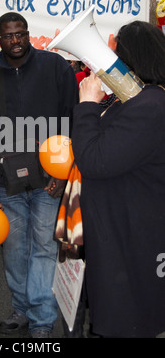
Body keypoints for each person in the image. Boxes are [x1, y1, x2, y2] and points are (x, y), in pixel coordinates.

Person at [0, 12, 78, 338]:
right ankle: (22, 310)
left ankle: (42, 318)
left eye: (20, 34)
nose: (15, 40)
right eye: (8, 35)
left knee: (45, 247)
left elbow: (72, 122)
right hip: (6, 183)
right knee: (15, 249)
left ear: (28, 34)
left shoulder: (56, 68)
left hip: (49, 179)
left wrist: (63, 174)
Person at [71, 21, 165, 338]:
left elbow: (95, 161)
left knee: (126, 318)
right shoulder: (143, 101)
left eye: (117, 53)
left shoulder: (150, 107)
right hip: (123, 229)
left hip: (130, 238)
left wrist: (86, 106)